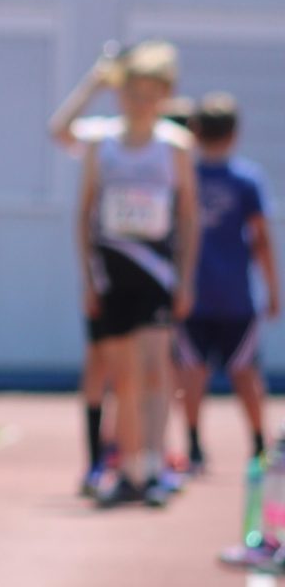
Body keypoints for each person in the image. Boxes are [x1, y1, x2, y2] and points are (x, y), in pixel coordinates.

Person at [50, 42, 193, 494]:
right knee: (124, 375)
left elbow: (189, 217)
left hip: (157, 273)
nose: (141, 102)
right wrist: (95, 81)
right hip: (112, 271)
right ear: (120, 92)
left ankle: (154, 466)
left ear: (166, 96)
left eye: (151, 94)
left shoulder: (175, 146)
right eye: (133, 92)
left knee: (155, 369)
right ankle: (129, 468)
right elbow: (82, 208)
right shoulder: (102, 141)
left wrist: (186, 278)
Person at [175, 93, 279, 471]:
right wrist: (273, 289)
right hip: (235, 294)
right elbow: (261, 239)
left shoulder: (184, 175)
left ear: (195, 131)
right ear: (234, 133)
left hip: (193, 293)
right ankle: (258, 443)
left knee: (192, 370)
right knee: (245, 371)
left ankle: (193, 445)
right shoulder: (246, 179)